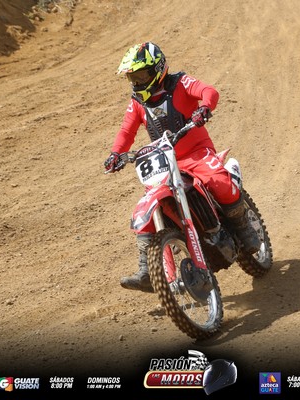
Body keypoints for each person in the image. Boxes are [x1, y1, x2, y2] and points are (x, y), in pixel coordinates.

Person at [104, 42, 260, 293]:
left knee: (218, 181)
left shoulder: (180, 83)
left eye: (141, 75)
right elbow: (126, 131)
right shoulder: (137, 102)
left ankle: (244, 229)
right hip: (165, 162)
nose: (136, 82)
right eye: (132, 78)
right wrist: (115, 153)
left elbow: (208, 91)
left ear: (157, 69)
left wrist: (204, 107)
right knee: (147, 207)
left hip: (196, 153)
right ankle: (147, 271)